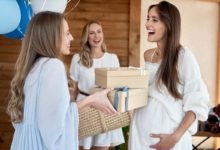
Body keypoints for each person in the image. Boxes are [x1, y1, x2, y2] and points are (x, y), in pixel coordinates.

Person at [7, 11, 117, 150]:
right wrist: (91, 100)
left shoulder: (33, 65)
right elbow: (55, 122)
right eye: (66, 33)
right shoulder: (53, 66)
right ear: (52, 36)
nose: (71, 37)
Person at [128, 1, 209, 150]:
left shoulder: (184, 57)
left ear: (168, 24)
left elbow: (197, 102)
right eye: (147, 18)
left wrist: (175, 138)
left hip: (169, 136)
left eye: (154, 20)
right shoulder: (148, 56)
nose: (147, 24)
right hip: (141, 133)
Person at [69, 21, 124, 150]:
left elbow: (117, 88)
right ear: (86, 37)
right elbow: (74, 90)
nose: (96, 36)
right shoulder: (77, 59)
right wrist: (68, 112)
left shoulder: (112, 58)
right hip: (84, 108)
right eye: (91, 33)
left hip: (104, 109)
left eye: (99, 32)